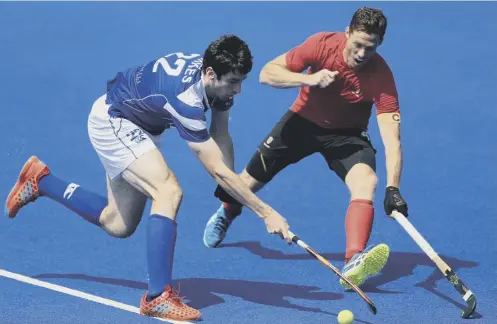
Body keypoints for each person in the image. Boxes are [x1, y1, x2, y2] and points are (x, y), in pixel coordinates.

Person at [4, 34, 291, 321]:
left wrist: (230, 188)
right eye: (233, 81)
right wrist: (265, 212)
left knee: (117, 223)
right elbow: (215, 168)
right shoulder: (186, 100)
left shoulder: (218, 83)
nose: (238, 90)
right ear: (210, 73)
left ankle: (41, 180)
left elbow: (221, 135)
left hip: (139, 125)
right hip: (114, 121)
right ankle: (157, 296)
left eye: (242, 81)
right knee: (168, 191)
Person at [203, 7, 409, 290]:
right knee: (247, 183)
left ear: (379, 44)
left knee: (368, 182)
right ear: (347, 33)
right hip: (301, 123)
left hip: (346, 136)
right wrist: (307, 79)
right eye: (358, 44)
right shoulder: (322, 45)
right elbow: (267, 73)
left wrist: (393, 188)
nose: (362, 53)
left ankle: (352, 263)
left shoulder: (382, 77)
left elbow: (392, 138)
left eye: (370, 48)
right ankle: (228, 211)